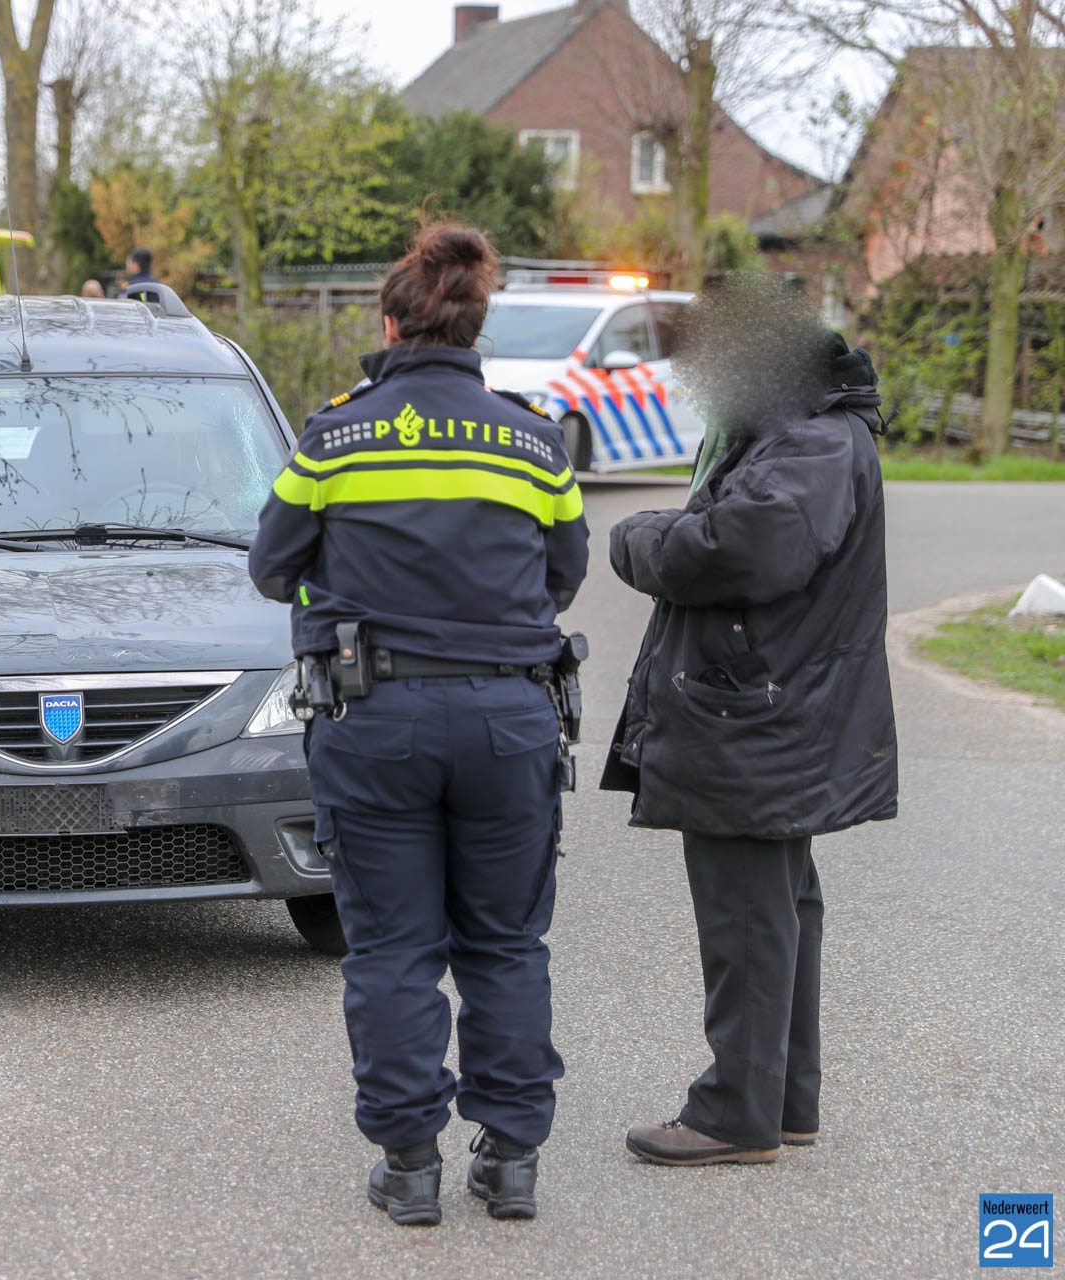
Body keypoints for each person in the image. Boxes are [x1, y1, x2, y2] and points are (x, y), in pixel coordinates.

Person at [248, 218, 588, 1226]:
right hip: (508, 718)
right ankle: (513, 1157)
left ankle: (408, 1166)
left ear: (390, 323)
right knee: (505, 943)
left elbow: (272, 567)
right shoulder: (534, 436)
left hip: (376, 716)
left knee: (394, 947)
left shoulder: (336, 431)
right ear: (474, 327)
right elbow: (562, 576)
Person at [604, 278, 896, 1167]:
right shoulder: (804, 429)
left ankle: (736, 1112)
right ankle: (782, 1100)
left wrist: (638, 538)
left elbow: (744, 547)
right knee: (777, 906)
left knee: (747, 912)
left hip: (758, 716)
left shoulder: (810, 439)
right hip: (774, 707)